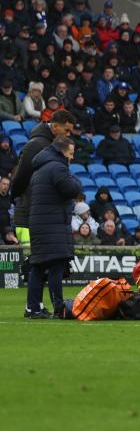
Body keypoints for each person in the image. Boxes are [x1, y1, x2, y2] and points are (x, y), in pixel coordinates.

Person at [25, 137, 82, 318]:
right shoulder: (58, 168)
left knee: (39, 266)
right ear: (62, 152)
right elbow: (71, 189)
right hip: (53, 224)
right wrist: (76, 181)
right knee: (57, 264)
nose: (71, 158)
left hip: (40, 223)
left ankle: (32, 307)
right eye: (70, 153)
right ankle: (59, 307)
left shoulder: (40, 169)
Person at [11, 110, 74, 246]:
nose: (68, 135)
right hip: (27, 214)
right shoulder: (36, 145)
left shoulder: (53, 146)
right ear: (55, 127)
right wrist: (16, 198)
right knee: (28, 262)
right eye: (66, 130)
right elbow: (20, 178)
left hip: (40, 215)